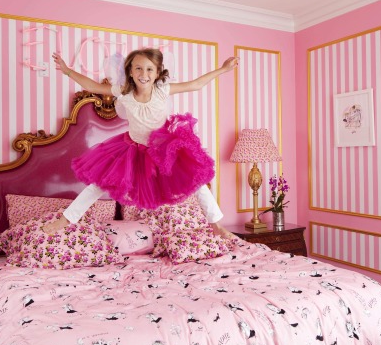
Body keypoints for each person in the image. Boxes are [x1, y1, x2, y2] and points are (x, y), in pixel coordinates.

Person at [44, 48, 238, 239]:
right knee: (98, 185)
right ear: (130, 71)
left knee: (198, 183)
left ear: (157, 73)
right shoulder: (124, 92)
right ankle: (66, 219)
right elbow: (94, 87)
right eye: (138, 68)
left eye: (149, 69)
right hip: (134, 151)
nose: (143, 74)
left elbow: (196, 84)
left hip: (163, 151)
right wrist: (67, 71)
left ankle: (216, 225)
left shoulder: (162, 91)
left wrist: (223, 69)